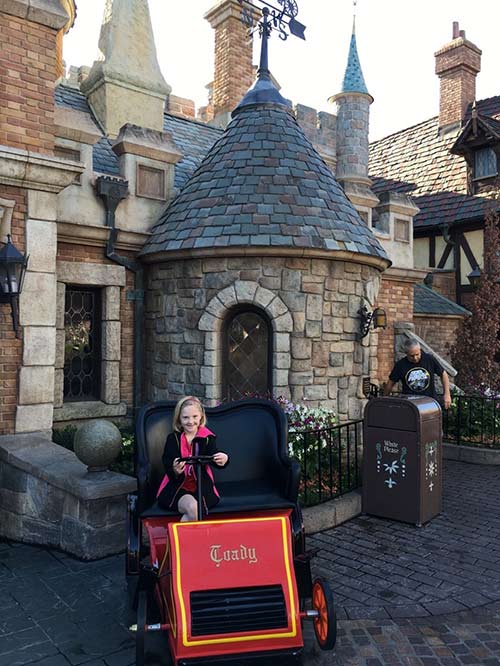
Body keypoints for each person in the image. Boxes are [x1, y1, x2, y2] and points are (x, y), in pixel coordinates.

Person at [156, 396, 229, 521]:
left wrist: (224, 459)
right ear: (179, 419)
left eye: (195, 417)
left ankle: (174, 538)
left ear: (201, 417)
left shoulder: (207, 437)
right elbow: (167, 462)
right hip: (177, 487)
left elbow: (214, 457)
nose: (190, 421)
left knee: (195, 511)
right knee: (194, 509)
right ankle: (180, 539)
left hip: (202, 487)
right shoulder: (173, 439)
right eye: (185, 417)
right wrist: (175, 469)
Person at [383, 339, 452, 409]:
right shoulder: (400, 365)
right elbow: (390, 383)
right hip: (410, 405)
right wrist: (384, 401)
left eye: (417, 354)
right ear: (406, 353)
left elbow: (443, 374)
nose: (415, 358)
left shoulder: (429, 359)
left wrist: (447, 394)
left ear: (420, 350)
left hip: (429, 402)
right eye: (412, 356)